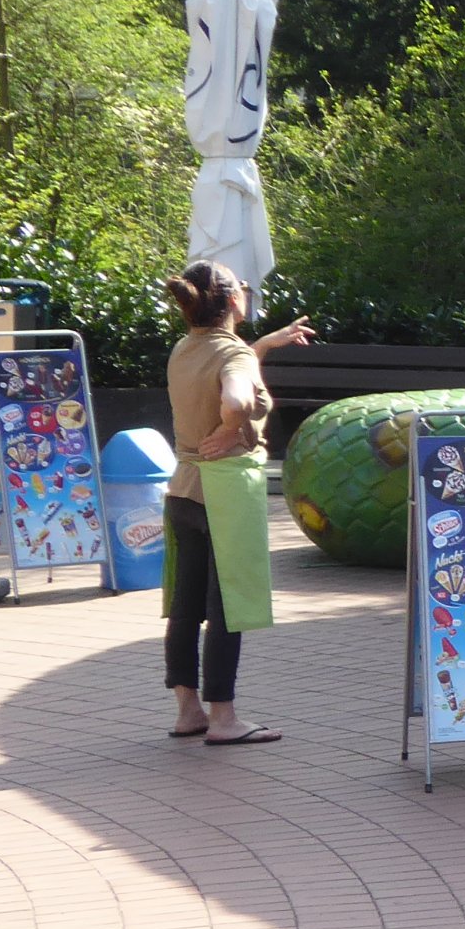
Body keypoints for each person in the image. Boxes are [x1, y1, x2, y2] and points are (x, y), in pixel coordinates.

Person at [161, 260, 312, 744]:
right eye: (243, 287)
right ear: (230, 300)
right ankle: (224, 718)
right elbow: (236, 398)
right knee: (227, 606)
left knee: (185, 608)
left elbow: (230, 361)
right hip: (225, 494)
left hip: (183, 489)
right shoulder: (232, 357)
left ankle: (189, 711)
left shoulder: (184, 349)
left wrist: (266, 344)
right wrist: (232, 427)